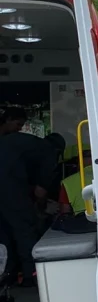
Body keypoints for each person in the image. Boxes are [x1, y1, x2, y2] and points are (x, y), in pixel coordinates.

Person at [0, 111, 61, 285]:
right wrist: (42, 186)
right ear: (8, 120)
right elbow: (48, 154)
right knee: (23, 230)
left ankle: (11, 274)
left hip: (10, 189)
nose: (19, 128)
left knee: (6, 233)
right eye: (18, 124)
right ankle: (28, 275)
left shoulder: (13, 141)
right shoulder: (23, 142)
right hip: (12, 191)